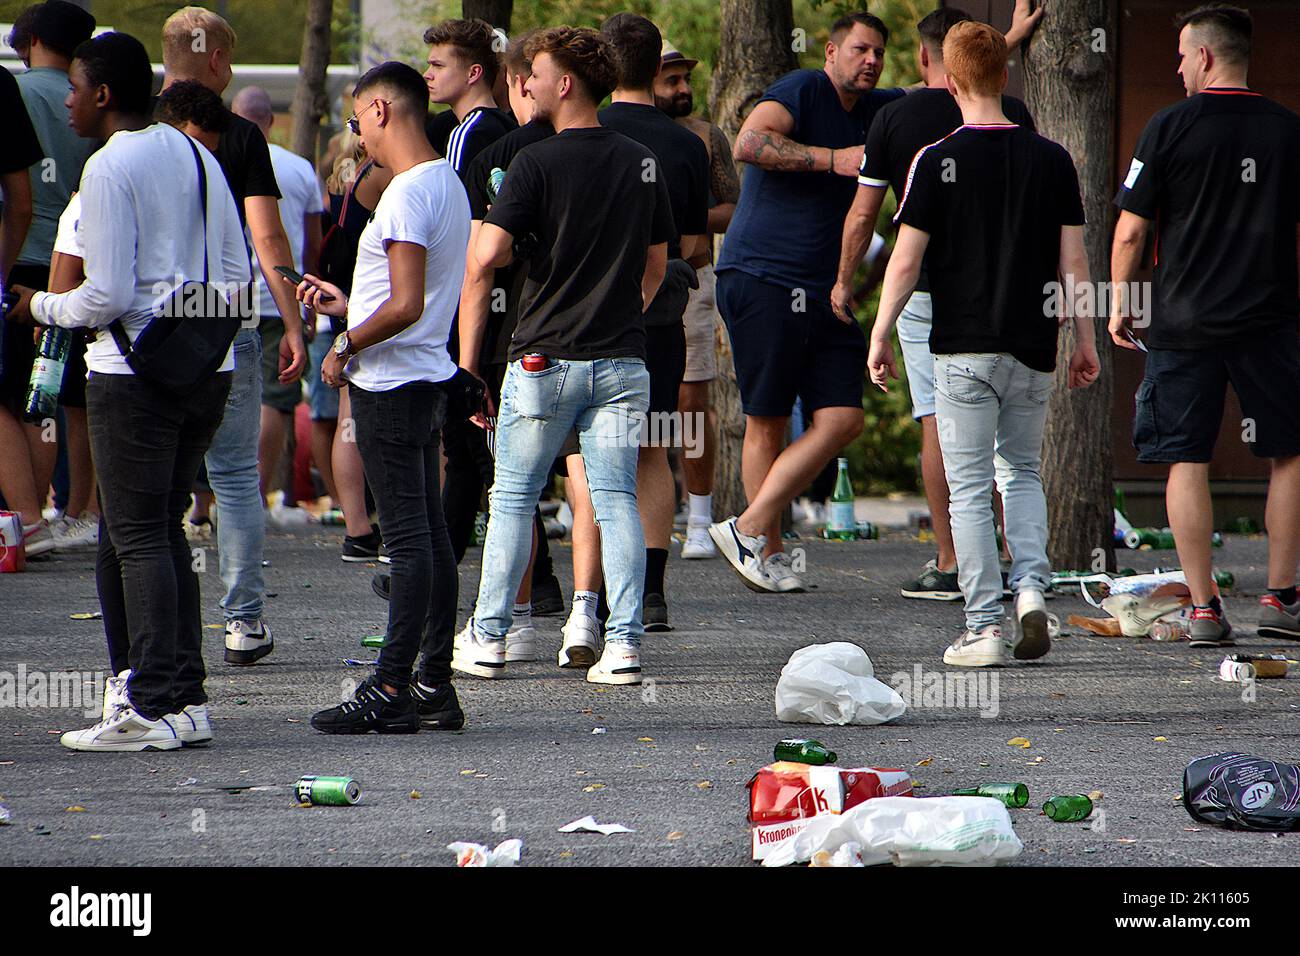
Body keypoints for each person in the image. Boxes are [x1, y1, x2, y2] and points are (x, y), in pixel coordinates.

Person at [16, 31, 250, 751]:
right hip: (204, 374)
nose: (69, 102)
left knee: (140, 536)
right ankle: (183, 700)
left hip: (131, 379)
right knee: (150, 532)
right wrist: (185, 319)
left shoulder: (111, 166)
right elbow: (236, 276)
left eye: (76, 89)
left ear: (104, 94)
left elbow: (106, 293)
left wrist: (36, 308)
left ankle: (149, 704)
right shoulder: (198, 153)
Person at [867, 20, 1100, 667]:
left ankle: (981, 627)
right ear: (1005, 76)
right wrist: (1085, 340)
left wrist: (881, 333)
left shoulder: (935, 160)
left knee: (969, 488)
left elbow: (905, 262)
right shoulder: (1051, 158)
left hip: (962, 347)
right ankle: (1030, 590)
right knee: (1020, 471)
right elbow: (1074, 263)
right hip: (1033, 345)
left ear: (948, 80)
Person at [451, 26, 671, 684]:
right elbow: (658, 263)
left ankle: (489, 636)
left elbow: (483, 259)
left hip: (544, 355)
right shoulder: (641, 159)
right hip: (623, 359)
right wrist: (620, 308)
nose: (526, 84)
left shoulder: (535, 163)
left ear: (565, 83)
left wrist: (468, 366)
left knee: (514, 498)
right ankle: (624, 643)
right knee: (615, 500)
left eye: (536, 74)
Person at [1110, 3, 1300, 645]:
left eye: (1184, 55)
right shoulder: (1287, 131)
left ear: (1208, 56)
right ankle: (1281, 599)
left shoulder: (1167, 127)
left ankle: (1203, 610)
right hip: (1270, 319)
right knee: (1289, 452)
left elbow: (1132, 228)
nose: (1179, 67)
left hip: (1183, 320)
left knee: (1185, 458)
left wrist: (1117, 302)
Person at [835, 5, 1039, 601]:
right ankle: (1014, 562)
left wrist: (845, 283)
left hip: (925, 292)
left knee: (937, 420)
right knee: (1011, 443)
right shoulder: (1017, 115)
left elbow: (865, 214)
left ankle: (951, 561)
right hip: (1009, 292)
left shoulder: (894, 120)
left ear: (926, 58)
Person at [296, 61, 470, 734]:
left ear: (378, 112)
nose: (357, 137)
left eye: (355, 121)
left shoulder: (402, 195)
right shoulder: (445, 184)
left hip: (391, 386)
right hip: (423, 375)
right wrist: (349, 308)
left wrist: (344, 348)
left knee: (408, 541)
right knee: (427, 535)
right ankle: (433, 684)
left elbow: (403, 304)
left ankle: (391, 686)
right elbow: (403, 300)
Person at [708, 13, 904, 594]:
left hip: (828, 289)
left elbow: (944, 87)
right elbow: (748, 141)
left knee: (843, 418)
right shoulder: (802, 87)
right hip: (763, 276)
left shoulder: (881, 108)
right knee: (766, 418)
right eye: (859, 49)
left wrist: (1007, 45)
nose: (869, 60)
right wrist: (835, 158)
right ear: (831, 51)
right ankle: (763, 552)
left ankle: (746, 528)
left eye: (878, 53)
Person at [161, 6, 307, 667]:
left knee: (152, 481)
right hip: (229, 320)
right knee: (237, 479)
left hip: (148, 328)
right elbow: (269, 237)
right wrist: (294, 320)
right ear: (218, 60)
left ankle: (154, 625)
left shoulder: (130, 127)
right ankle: (243, 623)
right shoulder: (242, 136)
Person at [587, 13, 708, 632]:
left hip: (588, 318)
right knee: (653, 448)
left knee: (591, 456)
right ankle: (652, 591)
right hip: (659, 320)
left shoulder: (586, 128)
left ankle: (596, 596)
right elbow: (688, 242)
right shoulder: (687, 144)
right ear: (657, 62)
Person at [3, 0, 96, 555]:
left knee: (13, 398)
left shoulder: (17, 90)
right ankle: (65, 509)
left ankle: (23, 518)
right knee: (49, 393)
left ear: (29, 36)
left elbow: (15, 195)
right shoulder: (88, 96)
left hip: (20, 255)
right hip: (74, 259)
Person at [653, 38, 741, 560]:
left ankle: (702, 517)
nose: (684, 88)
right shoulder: (620, 128)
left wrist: (679, 215)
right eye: (672, 79)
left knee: (691, 400)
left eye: (687, 79)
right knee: (632, 405)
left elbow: (731, 208)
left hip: (692, 280)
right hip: (628, 285)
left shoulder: (706, 136)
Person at [229, 86, 326, 524]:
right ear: (270, 120)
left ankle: (215, 501)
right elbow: (313, 243)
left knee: (229, 394)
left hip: (227, 297)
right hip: (282, 296)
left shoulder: (220, 160)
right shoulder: (300, 169)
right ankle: (257, 495)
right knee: (273, 398)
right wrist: (307, 306)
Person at [319, 132, 392, 561]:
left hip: (341, 298)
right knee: (364, 416)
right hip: (370, 300)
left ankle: (356, 529)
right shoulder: (383, 175)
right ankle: (384, 526)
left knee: (349, 417)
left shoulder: (342, 178)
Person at [0, 57, 44, 555]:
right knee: (35, 400)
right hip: (31, 266)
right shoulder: (3, 86)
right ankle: (29, 520)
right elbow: (21, 201)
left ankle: (28, 518)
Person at [422, 18, 517, 176]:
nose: (427, 75)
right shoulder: (509, 126)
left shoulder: (467, 133)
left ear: (473, 73)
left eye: (438, 66)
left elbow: (454, 199)